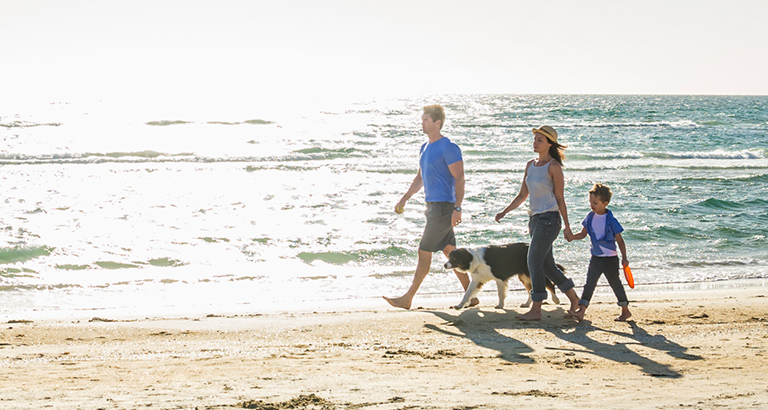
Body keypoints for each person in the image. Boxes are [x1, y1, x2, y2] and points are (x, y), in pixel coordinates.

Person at [384, 105, 474, 310]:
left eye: (425, 119)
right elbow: (420, 177)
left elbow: (459, 178)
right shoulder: (424, 148)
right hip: (431, 206)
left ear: (437, 123)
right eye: (422, 119)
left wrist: (457, 208)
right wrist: (404, 198)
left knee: (424, 251)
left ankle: (407, 298)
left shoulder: (448, 147)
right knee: (450, 251)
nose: (421, 123)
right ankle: (471, 295)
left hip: (444, 207)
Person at [495, 125, 580, 321]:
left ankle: (536, 308)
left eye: (540, 140)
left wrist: (567, 226)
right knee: (547, 266)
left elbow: (560, 198)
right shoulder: (530, 165)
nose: (535, 143)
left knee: (532, 260)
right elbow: (523, 194)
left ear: (550, 144)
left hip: (549, 220)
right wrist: (505, 211)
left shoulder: (554, 167)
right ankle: (574, 299)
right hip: (534, 220)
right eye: (535, 139)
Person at [568, 183, 632, 321]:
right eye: (590, 202)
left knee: (615, 284)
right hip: (596, 257)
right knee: (589, 283)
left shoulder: (611, 220)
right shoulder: (590, 217)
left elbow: (620, 240)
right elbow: (583, 234)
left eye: (595, 202)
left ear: (605, 203)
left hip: (610, 258)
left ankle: (625, 310)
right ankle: (582, 310)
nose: (592, 205)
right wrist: (572, 237)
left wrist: (624, 257)